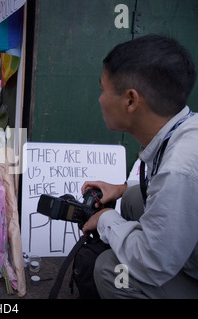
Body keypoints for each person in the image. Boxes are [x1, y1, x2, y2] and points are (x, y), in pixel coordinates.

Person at [81, 34, 198, 298]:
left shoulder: (179, 168)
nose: (100, 99)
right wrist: (121, 188)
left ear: (131, 100)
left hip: (184, 271)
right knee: (134, 196)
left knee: (110, 270)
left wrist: (104, 220)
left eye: (103, 89)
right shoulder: (184, 130)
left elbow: (152, 264)